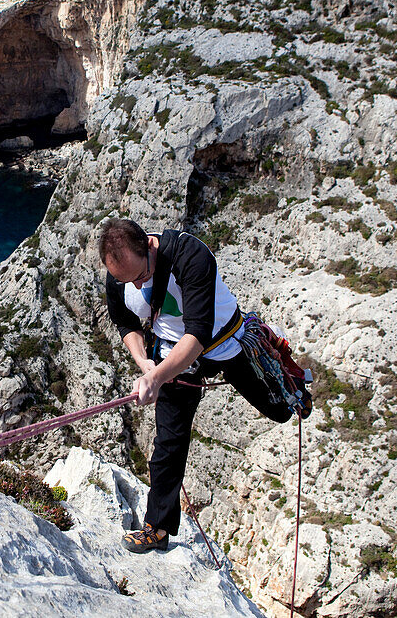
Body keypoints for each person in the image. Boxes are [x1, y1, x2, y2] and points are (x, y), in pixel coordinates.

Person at [99, 218, 304, 553]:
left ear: (149, 247)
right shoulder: (120, 271)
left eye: (140, 277)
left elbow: (197, 333)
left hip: (223, 342)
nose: (135, 287)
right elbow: (124, 321)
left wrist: (156, 376)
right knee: (168, 443)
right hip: (171, 354)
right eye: (126, 281)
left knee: (280, 410)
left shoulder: (190, 255)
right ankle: (158, 528)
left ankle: (290, 381)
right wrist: (144, 363)